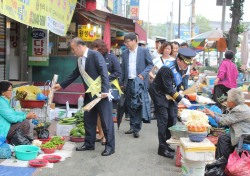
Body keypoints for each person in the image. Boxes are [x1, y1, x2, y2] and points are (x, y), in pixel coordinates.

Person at [54, 37, 115, 156]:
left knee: (106, 121)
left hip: (101, 94)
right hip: (89, 93)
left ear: (79, 47)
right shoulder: (80, 60)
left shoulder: (95, 55)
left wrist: (104, 91)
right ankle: (89, 143)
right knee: (89, 119)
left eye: (73, 49)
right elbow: (74, 74)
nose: (73, 52)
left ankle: (110, 147)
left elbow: (104, 72)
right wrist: (61, 85)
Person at [149, 48, 195, 159]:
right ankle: (162, 148)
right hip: (159, 93)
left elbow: (180, 82)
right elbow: (169, 88)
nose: (186, 66)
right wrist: (181, 99)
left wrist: (181, 90)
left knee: (172, 117)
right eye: (185, 63)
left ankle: (167, 142)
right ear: (179, 59)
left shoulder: (183, 67)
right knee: (163, 119)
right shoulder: (167, 69)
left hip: (170, 94)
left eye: (188, 63)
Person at [120, 32, 153, 138]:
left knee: (138, 104)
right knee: (129, 104)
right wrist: (121, 82)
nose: (126, 44)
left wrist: (143, 74)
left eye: (128, 42)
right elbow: (123, 68)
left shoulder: (144, 51)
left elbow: (150, 64)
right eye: (125, 42)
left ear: (135, 41)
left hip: (139, 82)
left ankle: (136, 128)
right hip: (128, 81)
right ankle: (132, 126)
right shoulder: (124, 53)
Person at [204, 88, 250, 160]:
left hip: (244, 135)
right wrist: (212, 113)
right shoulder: (242, 107)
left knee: (223, 139)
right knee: (224, 137)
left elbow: (224, 121)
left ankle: (221, 161)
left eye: (228, 99)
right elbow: (227, 117)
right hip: (243, 133)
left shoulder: (239, 110)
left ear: (232, 102)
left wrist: (213, 115)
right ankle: (223, 160)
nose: (226, 101)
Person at [91, 39, 121, 145]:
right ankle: (101, 134)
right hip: (96, 88)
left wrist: (106, 78)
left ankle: (106, 137)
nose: (95, 53)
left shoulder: (111, 57)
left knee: (105, 113)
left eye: (97, 50)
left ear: (101, 49)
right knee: (98, 113)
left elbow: (118, 71)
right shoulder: (93, 58)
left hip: (109, 88)